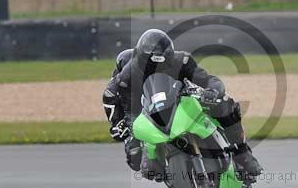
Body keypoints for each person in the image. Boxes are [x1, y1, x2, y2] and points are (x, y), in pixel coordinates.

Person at [103, 29, 262, 179]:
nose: (156, 68)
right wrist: (117, 124)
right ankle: (170, 174)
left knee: (225, 103)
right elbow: (109, 95)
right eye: (151, 65)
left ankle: (243, 153)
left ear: (170, 56)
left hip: (181, 98)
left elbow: (208, 79)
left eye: (162, 64)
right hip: (141, 114)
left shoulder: (182, 60)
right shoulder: (127, 73)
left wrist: (212, 91)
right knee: (137, 159)